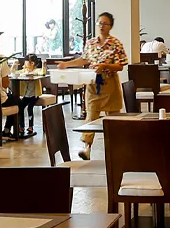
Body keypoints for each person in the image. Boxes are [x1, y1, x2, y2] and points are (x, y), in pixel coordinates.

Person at [58, 12, 128, 159]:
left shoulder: (116, 43)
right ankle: (86, 148)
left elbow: (120, 65)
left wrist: (105, 66)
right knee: (91, 116)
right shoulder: (90, 43)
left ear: (110, 26)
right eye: (100, 23)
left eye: (105, 24)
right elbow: (84, 60)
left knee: (113, 118)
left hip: (110, 84)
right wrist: (66, 64)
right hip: (92, 84)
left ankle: (116, 150)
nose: (102, 26)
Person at [16, 54, 44, 137]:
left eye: (26, 61)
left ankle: (31, 126)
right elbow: (14, 73)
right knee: (20, 107)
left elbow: (42, 73)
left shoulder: (36, 71)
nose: (24, 63)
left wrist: (44, 65)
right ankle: (21, 127)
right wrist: (14, 65)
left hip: (34, 96)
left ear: (32, 63)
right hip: (26, 95)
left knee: (30, 108)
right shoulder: (24, 71)